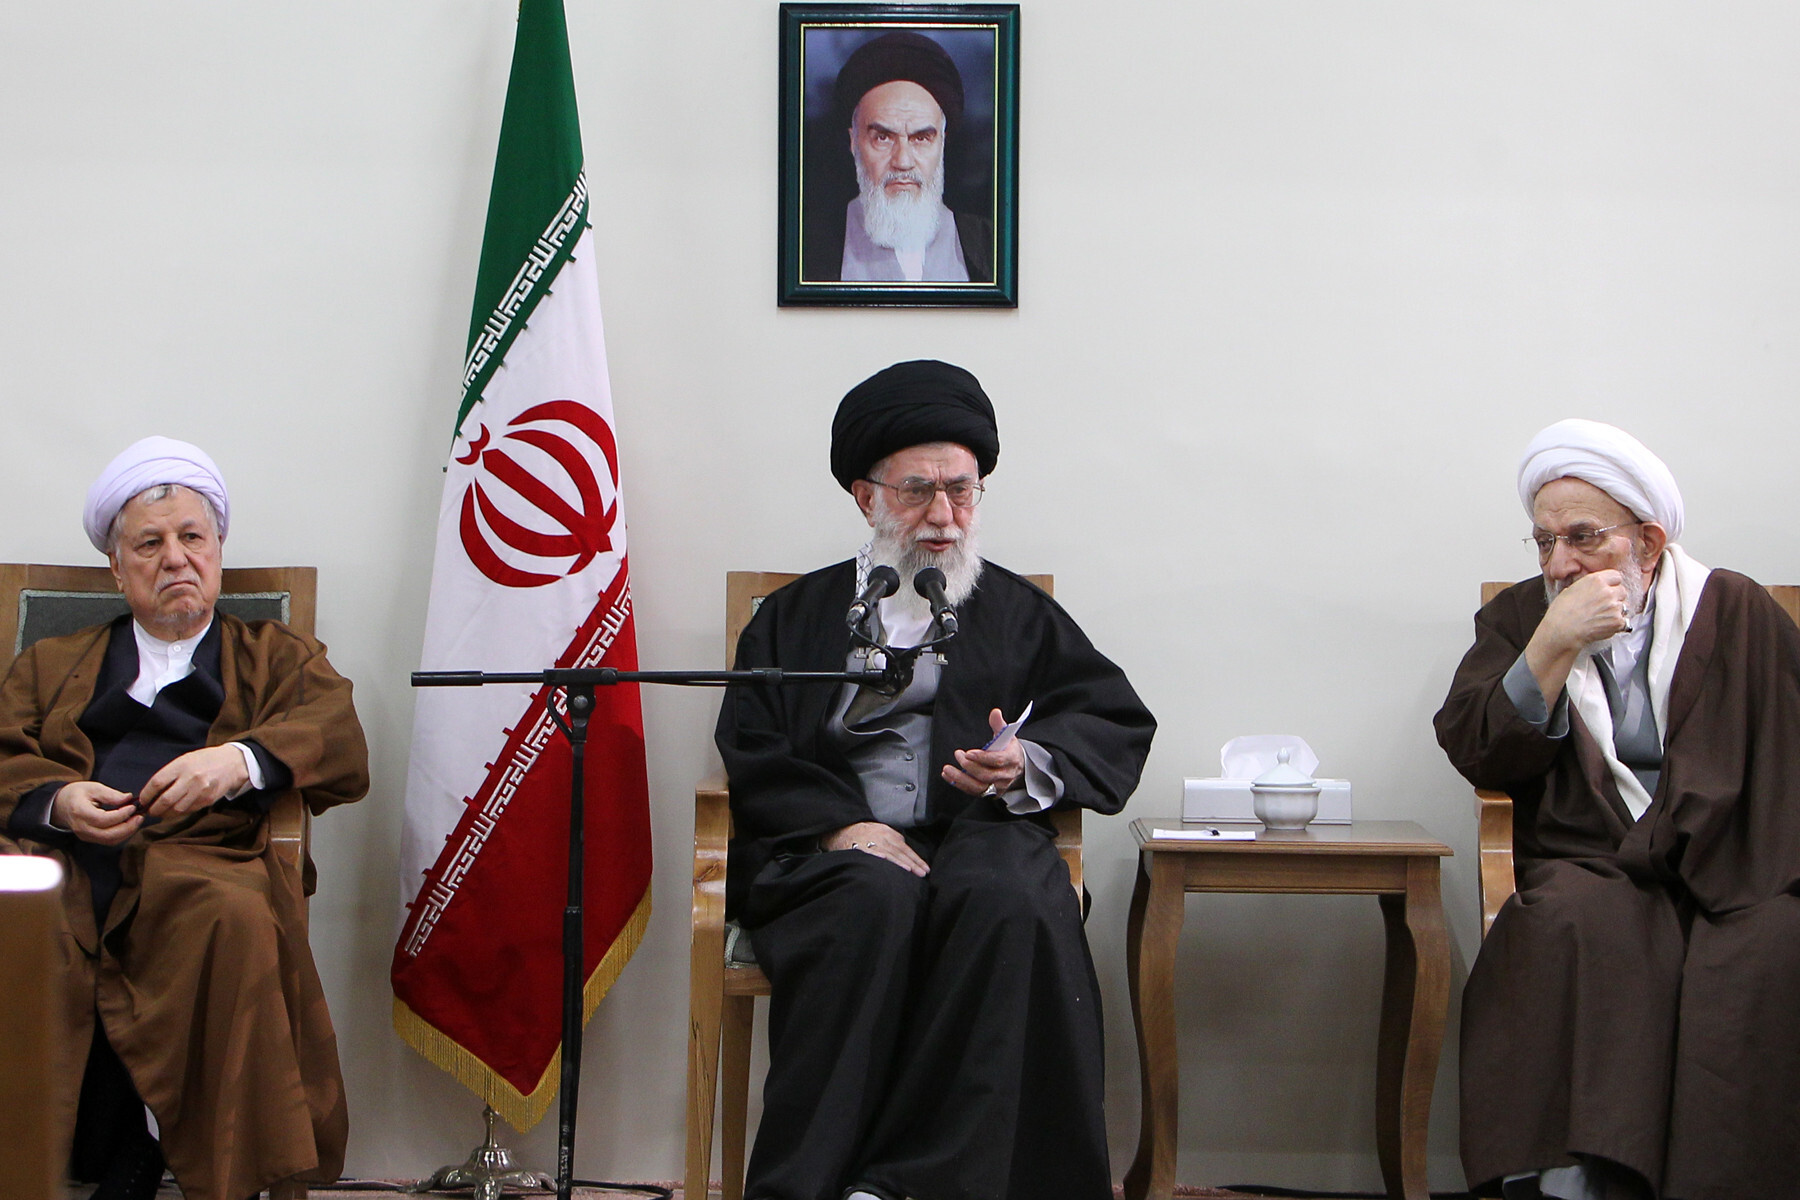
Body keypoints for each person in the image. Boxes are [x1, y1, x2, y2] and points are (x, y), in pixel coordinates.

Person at [715, 360, 1155, 1200]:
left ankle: (913, 1185)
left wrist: (1026, 764)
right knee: (873, 899)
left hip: (977, 836)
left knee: (1009, 899)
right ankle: (822, 1184)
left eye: (962, 491)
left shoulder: (1018, 612)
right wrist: (840, 826)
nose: (944, 516)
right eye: (918, 491)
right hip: (834, 853)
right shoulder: (795, 616)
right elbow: (752, 740)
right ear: (866, 497)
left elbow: (1110, 718)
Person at [1435, 419, 1800, 1200]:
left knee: (1773, 945)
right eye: (1544, 543)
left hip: (1735, 858)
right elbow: (1476, 748)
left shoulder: (1736, 610)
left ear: (1649, 542)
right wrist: (1550, 647)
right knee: (1569, 920)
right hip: (1593, 857)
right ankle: (1576, 1183)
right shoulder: (1523, 618)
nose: (1559, 564)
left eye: (1582, 538)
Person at [0, 438, 370, 1200]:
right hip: (65, 862)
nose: (175, 558)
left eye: (192, 537)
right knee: (29, 915)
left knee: (233, 916)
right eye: (149, 544)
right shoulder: (51, 664)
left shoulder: (276, 655)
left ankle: (217, 1173)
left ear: (218, 549)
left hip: (205, 858)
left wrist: (238, 761)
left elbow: (336, 733)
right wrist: (59, 801)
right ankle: (101, 1150)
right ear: (117, 567)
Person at [803, 31, 995, 284]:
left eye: (921, 138)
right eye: (883, 138)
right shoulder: (807, 251)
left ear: (942, 143)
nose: (903, 161)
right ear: (854, 142)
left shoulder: (990, 246)